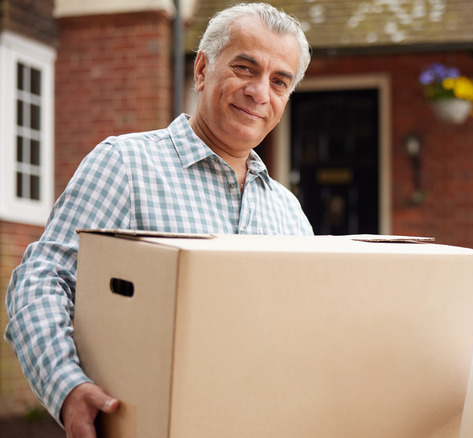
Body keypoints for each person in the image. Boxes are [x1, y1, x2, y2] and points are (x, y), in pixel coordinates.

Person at [5, 3, 313, 437]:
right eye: (246, 69)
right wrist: (67, 386)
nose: (260, 92)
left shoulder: (290, 215)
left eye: (279, 81)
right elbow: (40, 280)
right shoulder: (125, 165)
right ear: (202, 70)